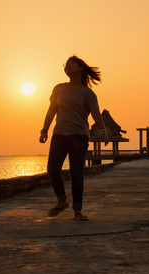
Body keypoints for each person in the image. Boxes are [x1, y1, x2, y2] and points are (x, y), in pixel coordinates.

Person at [39, 55, 109, 220]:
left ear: (80, 68)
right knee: (52, 169)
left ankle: (77, 211)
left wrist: (103, 131)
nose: (66, 67)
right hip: (59, 135)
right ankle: (62, 201)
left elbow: (96, 114)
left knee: (76, 173)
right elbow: (51, 111)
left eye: (70, 64)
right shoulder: (58, 89)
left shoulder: (88, 94)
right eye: (65, 65)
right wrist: (44, 130)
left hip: (79, 137)